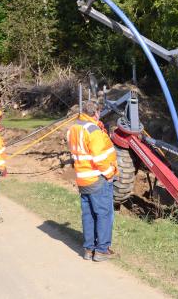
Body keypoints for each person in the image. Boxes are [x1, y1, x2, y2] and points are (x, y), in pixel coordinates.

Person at [66, 100, 118, 261]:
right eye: (99, 112)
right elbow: (100, 157)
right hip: (97, 178)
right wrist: (110, 173)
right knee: (104, 214)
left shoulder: (73, 129)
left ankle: (89, 249)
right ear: (96, 113)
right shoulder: (93, 130)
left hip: (82, 178)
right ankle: (102, 250)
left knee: (88, 214)